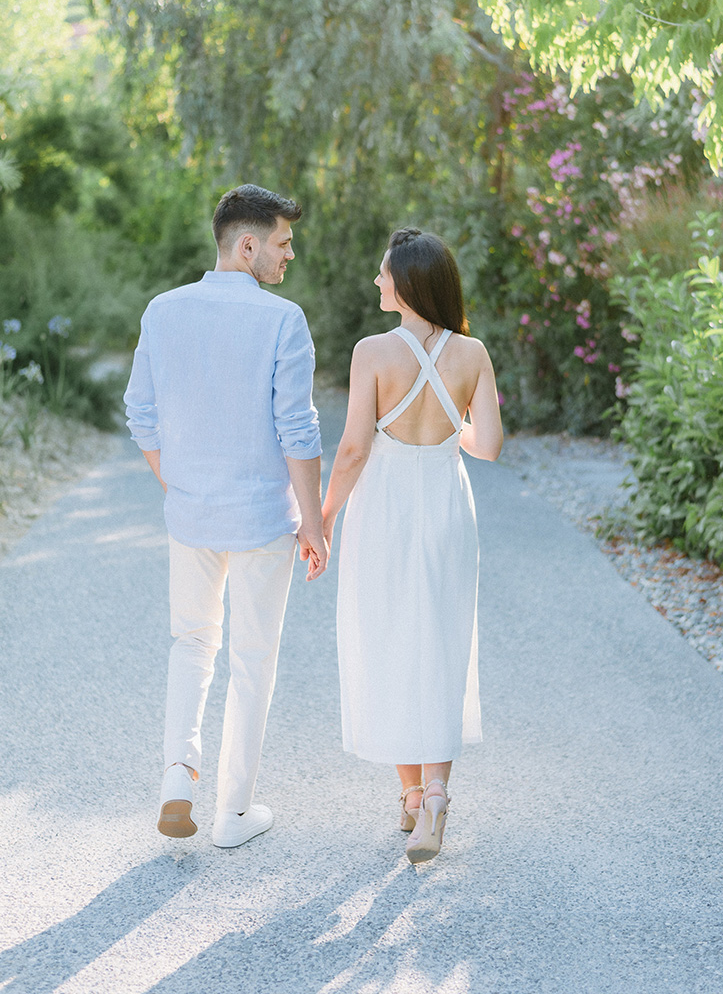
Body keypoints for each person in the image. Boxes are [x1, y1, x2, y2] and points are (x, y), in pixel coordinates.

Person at [124, 183, 328, 849]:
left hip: (192, 516)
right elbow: (296, 431)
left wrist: (178, 483)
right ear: (247, 246)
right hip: (263, 520)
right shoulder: (281, 321)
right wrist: (314, 521)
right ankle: (233, 813)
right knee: (252, 658)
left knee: (191, 644)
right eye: (282, 241)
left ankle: (178, 777)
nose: (288, 254)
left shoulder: (163, 311)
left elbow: (141, 414)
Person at [322, 228, 503, 864]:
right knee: (443, 645)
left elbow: (351, 450)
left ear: (407, 283)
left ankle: (409, 794)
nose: (377, 282)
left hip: (385, 510)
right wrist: (449, 423)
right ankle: (433, 801)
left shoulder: (373, 351)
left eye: (383, 274)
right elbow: (488, 446)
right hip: (449, 506)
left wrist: (321, 517)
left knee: (388, 640)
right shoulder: (473, 352)